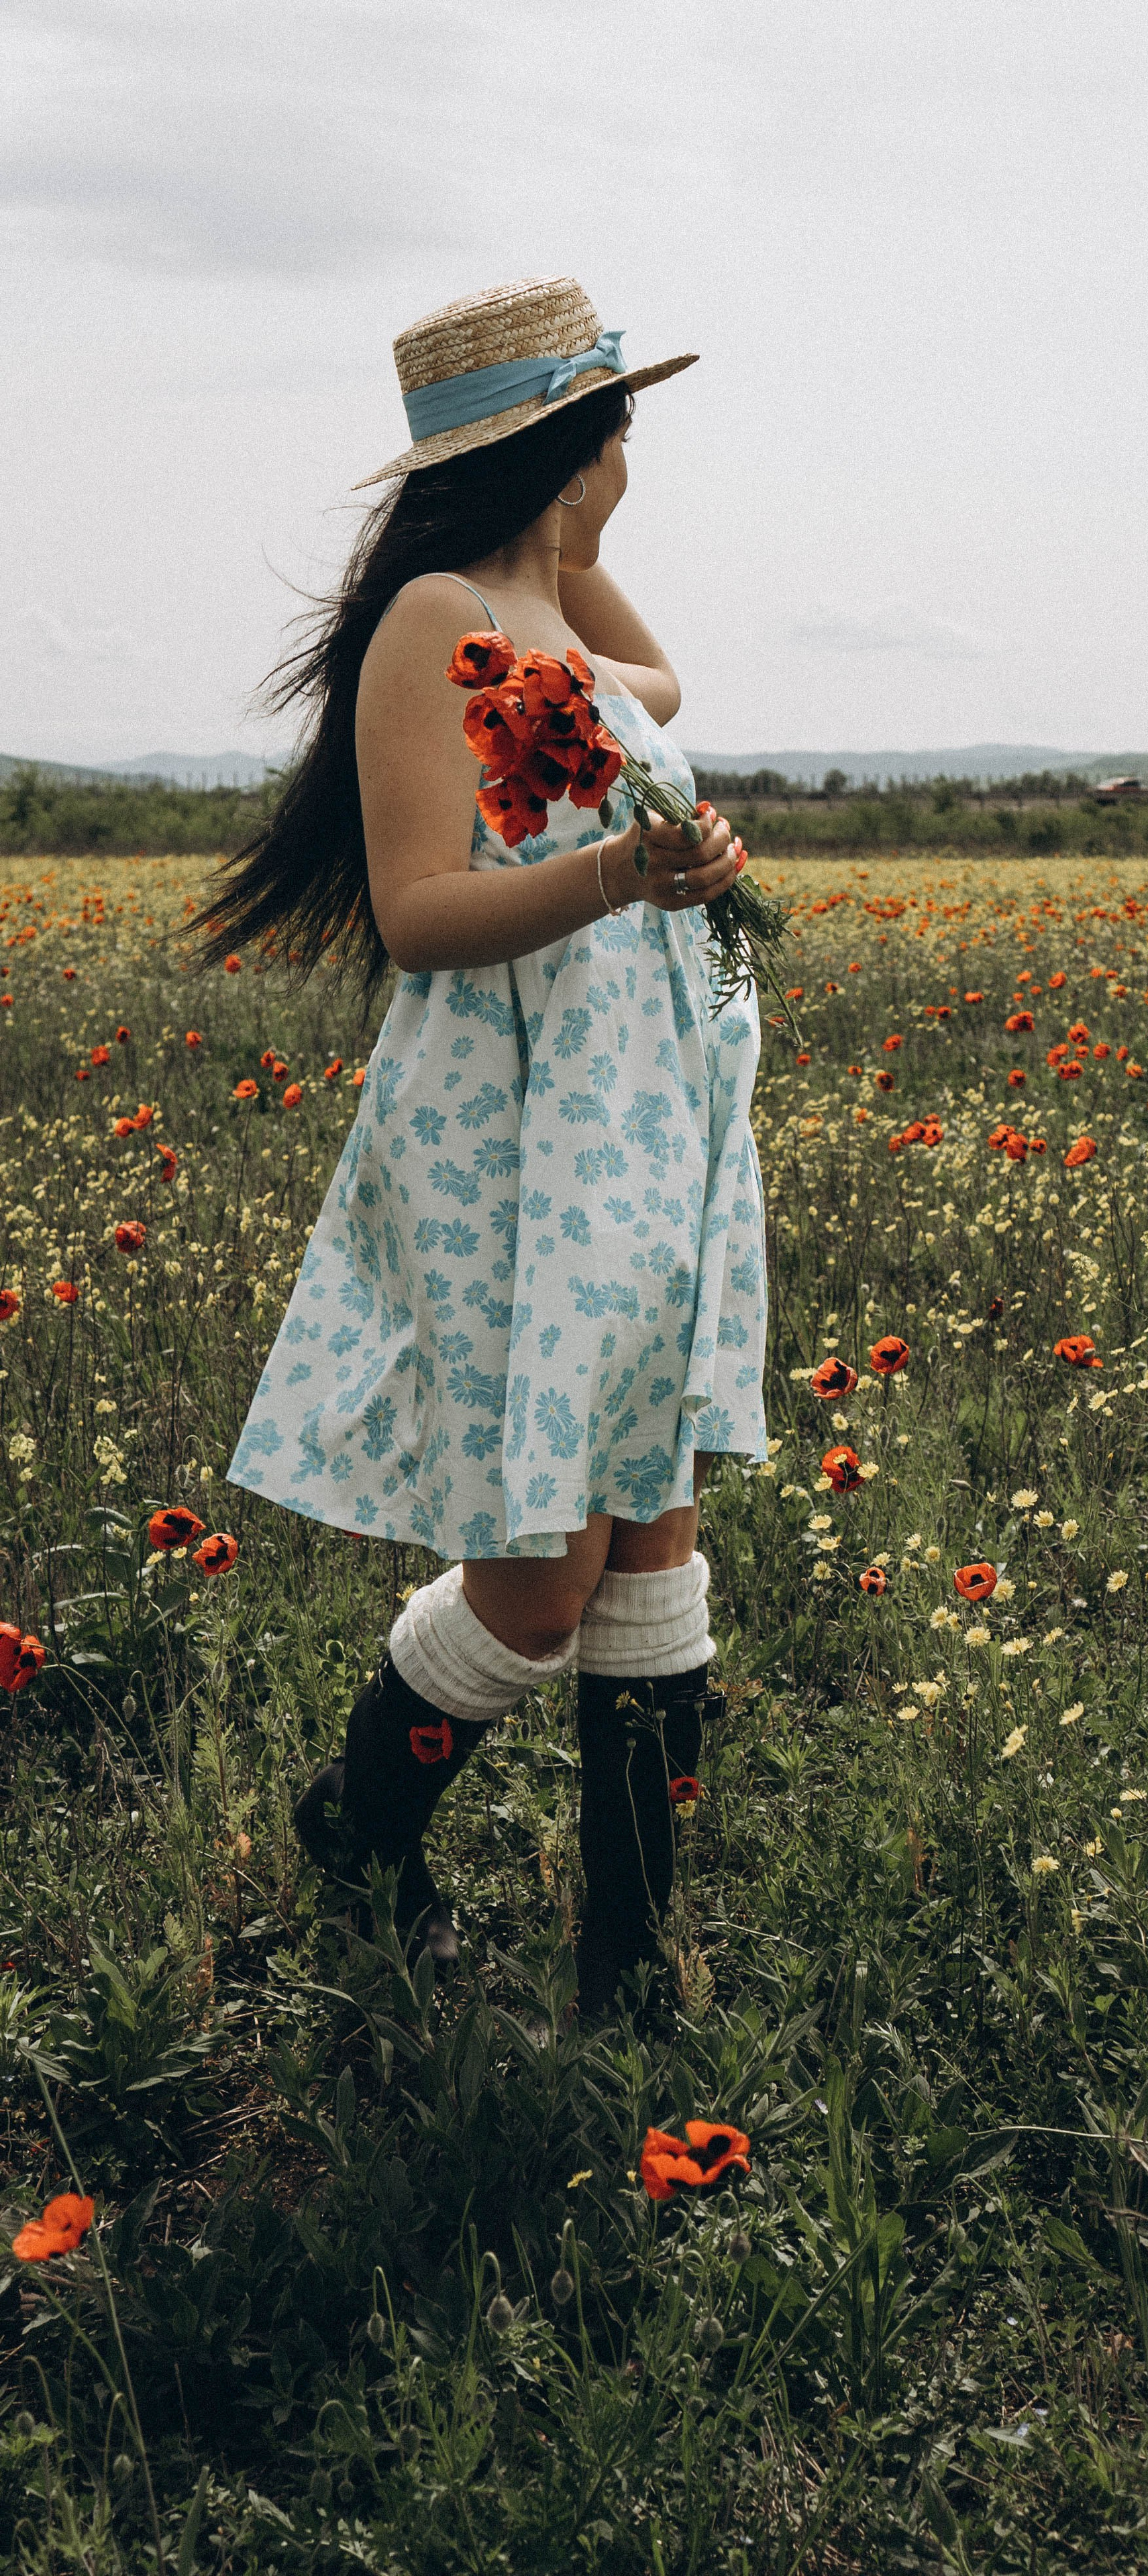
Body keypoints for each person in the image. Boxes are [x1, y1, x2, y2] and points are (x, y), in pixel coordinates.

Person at [199, 276, 768, 2008]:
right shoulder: (435, 620)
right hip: (522, 1139)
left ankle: (628, 1968)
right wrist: (626, 870)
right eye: (619, 423)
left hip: (643, 1120)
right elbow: (420, 909)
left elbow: (655, 682)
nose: (635, 453)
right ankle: (358, 1835)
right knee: (539, 1586)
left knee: (649, 1533)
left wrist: (682, 853)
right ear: (571, 441)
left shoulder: (536, 603)